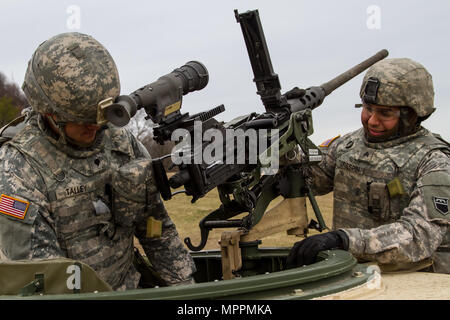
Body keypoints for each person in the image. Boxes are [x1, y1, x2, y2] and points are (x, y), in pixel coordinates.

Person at [0, 32, 196, 290]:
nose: (95, 129)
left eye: (101, 120)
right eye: (83, 122)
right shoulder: (18, 170)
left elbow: (155, 229)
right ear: (49, 113)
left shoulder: (121, 143)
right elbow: (44, 282)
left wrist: (188, 291)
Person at [286, 58, 450, 274]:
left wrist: (344, 240)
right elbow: (310, 179)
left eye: (385, 113)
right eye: (368, 108)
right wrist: (282, 142)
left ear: (412, 114)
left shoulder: (435, 162)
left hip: (415, 282)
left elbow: (419, 236)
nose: (372, 120)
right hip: (355, 276)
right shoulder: (347, 145)